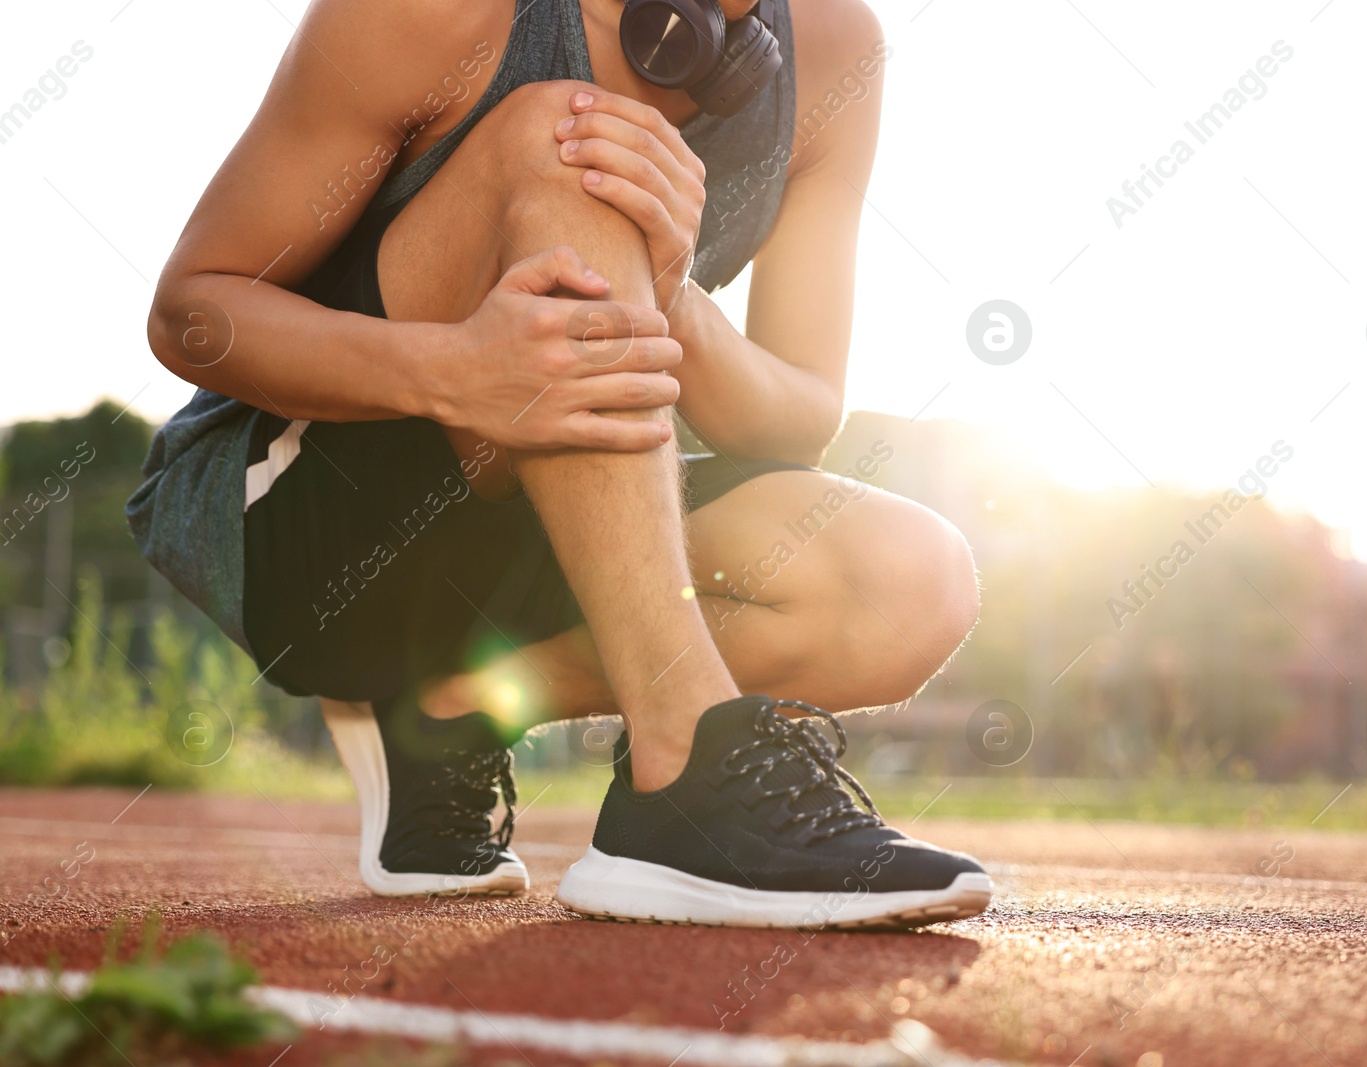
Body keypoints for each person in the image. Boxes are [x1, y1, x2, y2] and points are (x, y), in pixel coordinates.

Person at [130, 0, 990, 928]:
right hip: (316, 529)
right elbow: (193, 311)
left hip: (565, 497)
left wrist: (671, 289)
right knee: (577, 142)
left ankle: (446, 714)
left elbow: (795, 420)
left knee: (910, 581)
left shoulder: (835, 49)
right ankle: (684, 769)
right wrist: (458, 374)